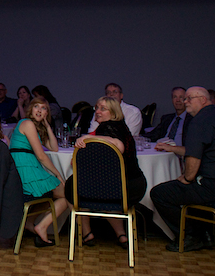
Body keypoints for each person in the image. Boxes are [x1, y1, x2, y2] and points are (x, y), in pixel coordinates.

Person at [151, 86, 215, 252]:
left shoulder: (199, 122)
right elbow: (205, 149)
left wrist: (186, 178)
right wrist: (173, 149)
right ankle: (205, 234)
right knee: (184, 188)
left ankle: (190, 236)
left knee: (160, 193)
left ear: (203, 100)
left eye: (189, 98)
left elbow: (194, 160)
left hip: (211, 187)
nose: (185, 102)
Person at [66, 96, 146, 250]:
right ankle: (121, 235)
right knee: (95, 185)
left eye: (103, 108)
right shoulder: (122, 126)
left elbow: (118, 145)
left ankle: (86, 233)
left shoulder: (107, 128)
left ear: (114, 112)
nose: (97, 111)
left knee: (73, 185)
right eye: (96, 107)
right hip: (132, 185)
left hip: (120, 188)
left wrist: (89, 138)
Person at [10, 96, 69, 247]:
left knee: (45, 195)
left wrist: (47, 126)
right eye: (37, 106)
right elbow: (41, 156)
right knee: (67, 195)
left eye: (44, 108)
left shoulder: (34, 126)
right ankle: (42, 226)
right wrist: (57, 174)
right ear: (31, 109)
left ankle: (30, 224)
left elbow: (54, 148)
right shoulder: (27, 123)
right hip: (25, 169)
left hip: (27, 167)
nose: (40, 110)